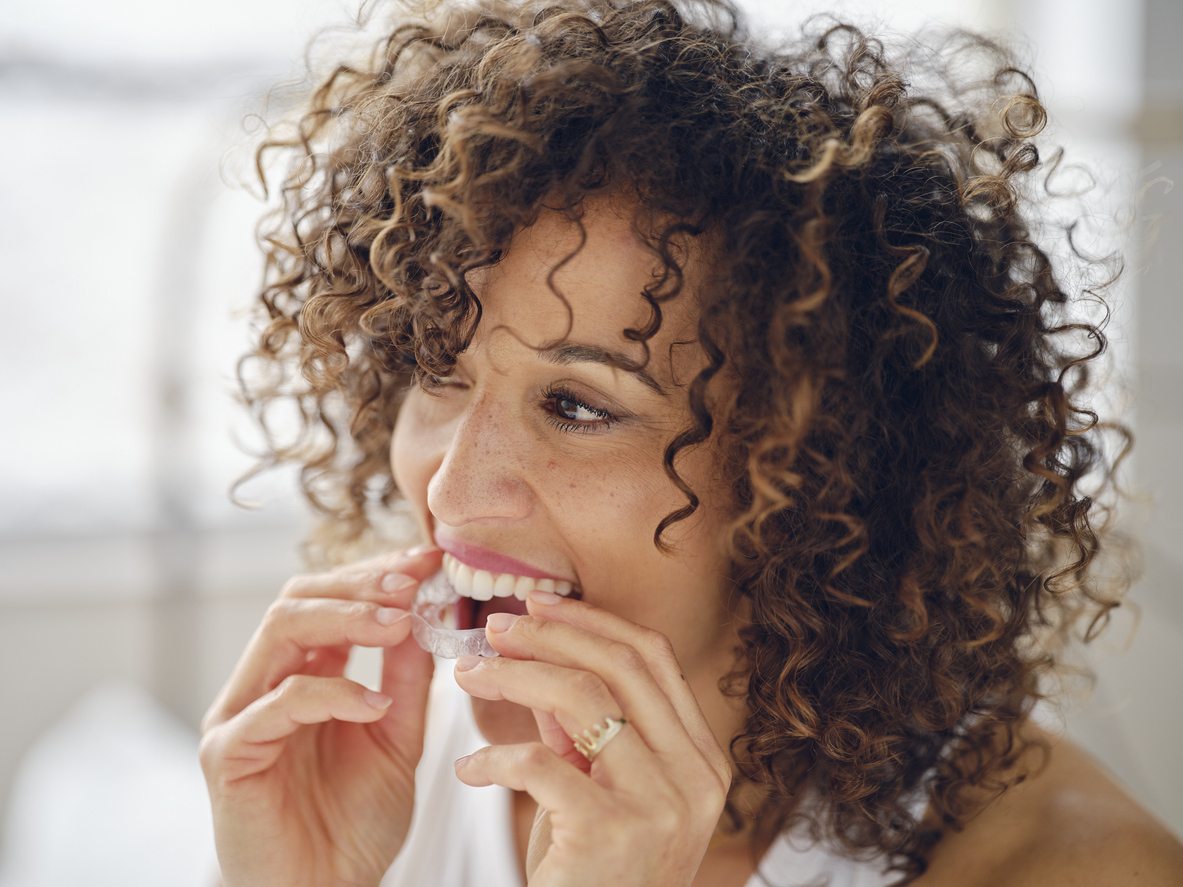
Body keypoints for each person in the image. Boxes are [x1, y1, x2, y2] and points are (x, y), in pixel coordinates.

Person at [199, 1, 1183, 884]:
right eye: (435, 372)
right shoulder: (371, 766)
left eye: (579, 405)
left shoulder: (1075, 865)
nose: (451, 494)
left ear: (804, 470)